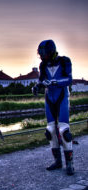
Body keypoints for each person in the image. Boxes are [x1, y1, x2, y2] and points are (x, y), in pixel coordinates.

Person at [32, 39, 74, 175]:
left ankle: (70, 164)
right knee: (50, 131)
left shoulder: (64, 61)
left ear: (51, 51)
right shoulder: (42, 65)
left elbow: (69, 79)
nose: (42, 56)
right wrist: (37, 86)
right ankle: (57, 161)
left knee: (64, 130)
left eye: (44, 53)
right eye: (40, 54)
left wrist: (55, 82)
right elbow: (41, 79)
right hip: (49, 97)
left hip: (62, 96)